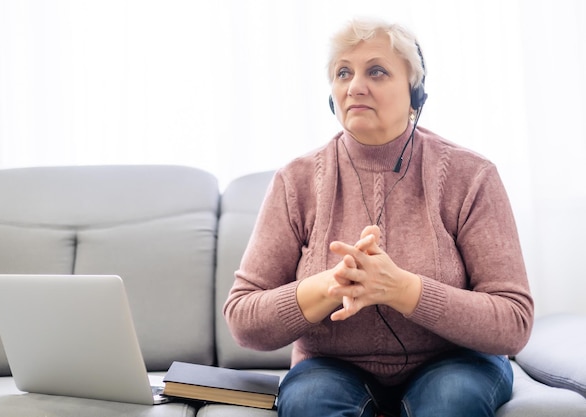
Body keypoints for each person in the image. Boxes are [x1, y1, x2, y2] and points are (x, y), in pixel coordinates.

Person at [223, 17, 534, 417]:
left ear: (415, 94)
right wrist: (331, 285)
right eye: (343, 73)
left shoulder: (471, 175)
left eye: (376, 71)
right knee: (310, 403)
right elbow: (243, 318)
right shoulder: (296, 180)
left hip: (457, 361)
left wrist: (403, 289)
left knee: (450, 400)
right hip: (331, 366)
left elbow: (513, 321)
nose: (354, 86)